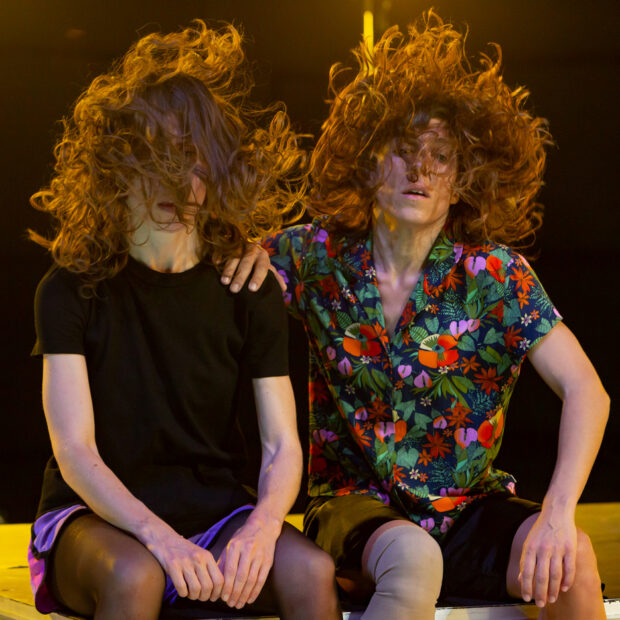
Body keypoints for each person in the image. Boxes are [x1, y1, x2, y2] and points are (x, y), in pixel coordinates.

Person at [222, 11, 609, 620]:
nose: (421, 170)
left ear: (463, 179)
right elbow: (222, 271)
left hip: (466, 510)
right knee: (410, 556)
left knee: (575, 562)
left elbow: (588, 390)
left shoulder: (496, 276)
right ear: (369, 161)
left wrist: (558, 513)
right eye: (403, 152)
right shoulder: (313, 256)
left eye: (441, 157)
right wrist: (238, 250)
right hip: (356, 512)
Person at [27, 21, 341, 620]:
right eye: (159, 157)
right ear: (118, 166)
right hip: (93, 519)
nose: (181, 183)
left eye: (195, 161)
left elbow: (281, 446)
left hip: (214, 515)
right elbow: (76, 453)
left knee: (311, 571)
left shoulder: (248, 287)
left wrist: (263, 527)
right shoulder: (69, 290)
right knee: (135, 576)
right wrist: (160, 538)